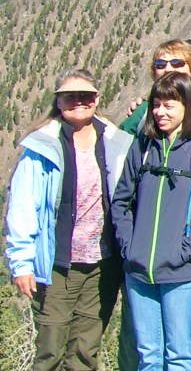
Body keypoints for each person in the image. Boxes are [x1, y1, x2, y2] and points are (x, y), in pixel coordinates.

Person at [5, 69, 132, 371]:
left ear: (96, 98)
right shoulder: (41, 148)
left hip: (103, 264)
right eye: (69, 96)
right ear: (58, 101)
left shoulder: (116, 142)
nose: (78, 101)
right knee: (50, 349)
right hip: (56, 265)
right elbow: (23, 207)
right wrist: (22, 263)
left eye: (85, 95)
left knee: (86, 352)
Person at [111, 72, 191, 371]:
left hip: (183, 274)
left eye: (169, 105)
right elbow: (121, 202)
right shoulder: (142, 148)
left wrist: (186, 251)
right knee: (148, 356)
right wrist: (129, 247)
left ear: (187, 107)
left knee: (180, 355)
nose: (160, 112)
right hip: (139, 272)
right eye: (156, 104)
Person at [120, 39, 191, 148]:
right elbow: (117, 150)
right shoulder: (143, 112)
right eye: (160, 64)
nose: (168, 69)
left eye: (177, 63)